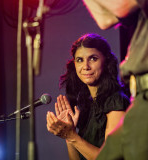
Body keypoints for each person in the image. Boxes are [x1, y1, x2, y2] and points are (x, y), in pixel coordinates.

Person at [46, 33, 130, 160]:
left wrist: (72, 136)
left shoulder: (116, 100)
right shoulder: (87, 104)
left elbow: (110, 158)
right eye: (80, 60)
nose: (85, 66)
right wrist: (69, 135)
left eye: (93, 58)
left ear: (106, 61)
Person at [82, 0, 148, 159]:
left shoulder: (114, 100)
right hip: (140, 96)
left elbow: (121, 7)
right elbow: (105, 19)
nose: (85, 66)